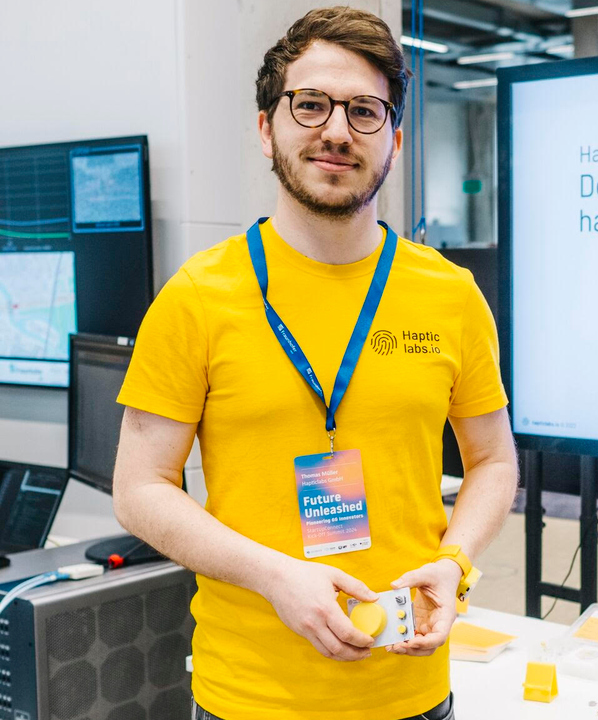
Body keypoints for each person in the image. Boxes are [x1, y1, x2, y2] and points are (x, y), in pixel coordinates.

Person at [111, 8, 517, 719]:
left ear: (394, 137)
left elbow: (493, 462)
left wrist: (456, 563)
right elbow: (140, 487)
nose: (336, 130)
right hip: (250, 696)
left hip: (412, 691)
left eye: (364, 111)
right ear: (267, 128)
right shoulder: (198, 297)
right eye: (311, 105)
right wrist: (273, 576)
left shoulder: (451, 295)